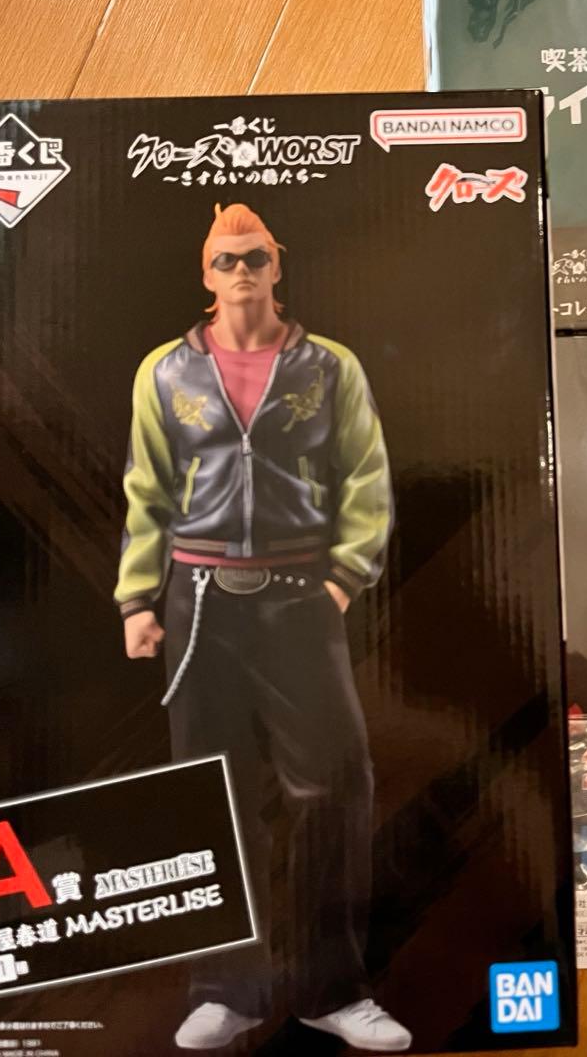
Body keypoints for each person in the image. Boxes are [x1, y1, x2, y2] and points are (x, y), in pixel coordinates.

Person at [115, 203, 411, 1052]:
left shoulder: (330, 367)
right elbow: (146, 489)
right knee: (210, 793)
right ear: (205, 273)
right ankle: (224, 989)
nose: (241, 272)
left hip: (298, 595)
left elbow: (367, 479)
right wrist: (138, 600)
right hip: (198, 598)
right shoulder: (165, 372)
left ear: (277, 264)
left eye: (255, 257)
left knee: (334, 787)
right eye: (226, 260)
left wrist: (344, 579)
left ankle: (331, 989)